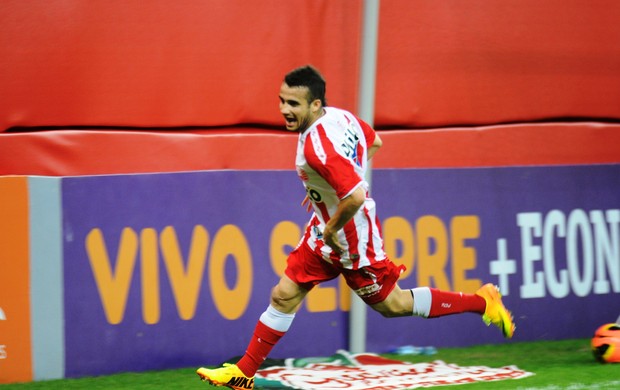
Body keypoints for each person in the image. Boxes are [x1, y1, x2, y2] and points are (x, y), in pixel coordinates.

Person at [197, 65, 515, 390]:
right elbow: (374, 141)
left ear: (315, 104)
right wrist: (328, 191)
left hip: (351, 238)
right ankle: (244, 373)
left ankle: (482, 301)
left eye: (294, 104)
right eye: (282, 101)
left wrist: (334, 224)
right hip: (324, 229)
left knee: (393, 306)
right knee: (283, 295)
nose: (284, 110)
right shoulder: (340, 117)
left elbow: (357, 196)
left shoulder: (315, 147)